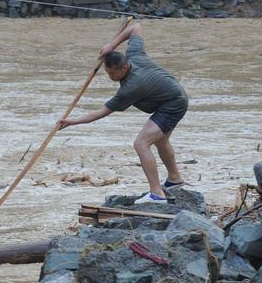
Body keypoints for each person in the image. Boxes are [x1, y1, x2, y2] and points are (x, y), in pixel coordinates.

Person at [58, 23, 188, 204]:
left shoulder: (131, 87)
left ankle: (157, 194)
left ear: (125, 67)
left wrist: (73, 121)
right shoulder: (134, 53)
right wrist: (111, 45)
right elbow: (136, 27)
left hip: (172, 104)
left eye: (113, 73)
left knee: (141, 143)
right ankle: (175, 179)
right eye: (107, 72)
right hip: (172, 95)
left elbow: (102, 112)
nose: (110, 76)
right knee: (161, 140)